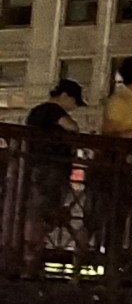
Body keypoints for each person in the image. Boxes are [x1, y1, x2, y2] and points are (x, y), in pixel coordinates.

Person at [22, 79, 82, 266]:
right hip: (51, 168)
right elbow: (72, 126)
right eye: (74, 102)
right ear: (64, 96)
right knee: (44, 211)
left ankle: (30, 253)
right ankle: (33, 253)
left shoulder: (36, 112)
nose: (73, 108)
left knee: (36, 211)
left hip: (36, 166)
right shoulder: (53, 110)